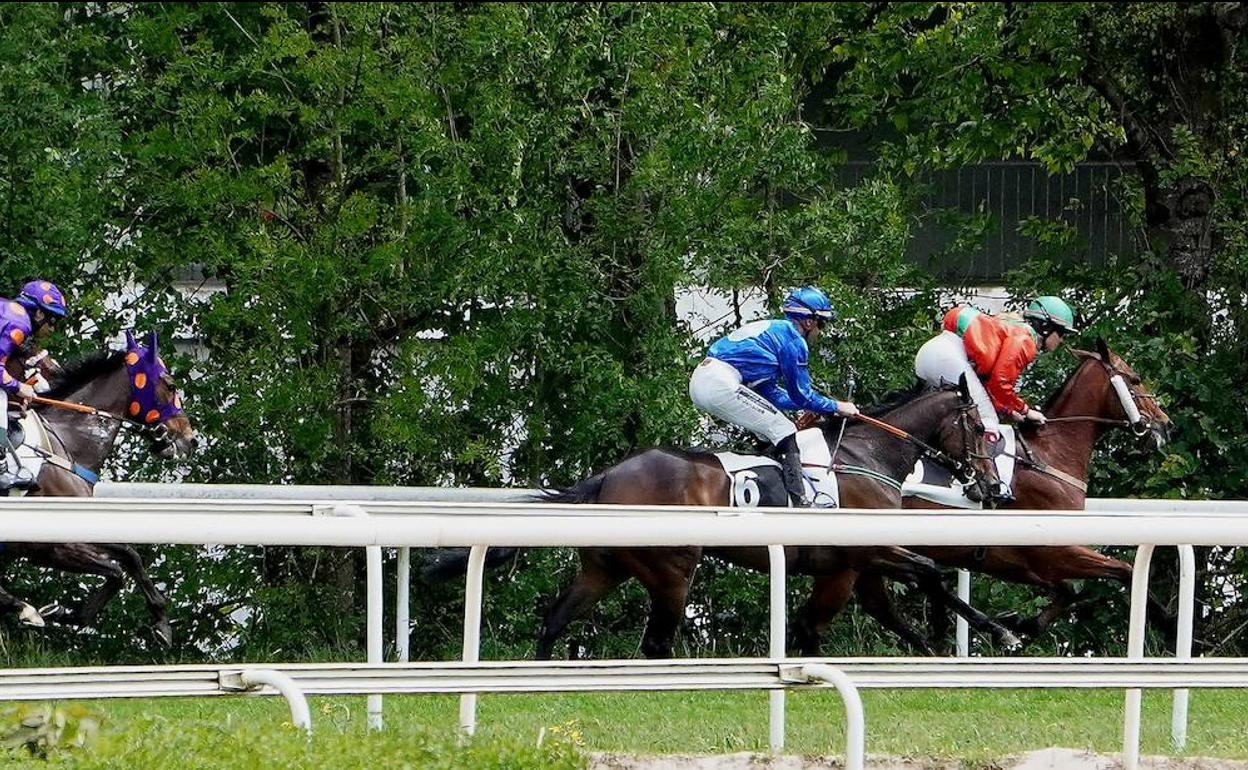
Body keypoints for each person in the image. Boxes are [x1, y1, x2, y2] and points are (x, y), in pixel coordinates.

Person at [689, 286, 858, 507]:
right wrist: (837, 406)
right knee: (784, 429)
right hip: (720, 383)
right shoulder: (793, 341)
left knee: (769, 430)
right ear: (809, 322)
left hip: (706, 380)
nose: (821, 331)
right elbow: (802, 395)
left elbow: (773, 394)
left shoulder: (776, 334)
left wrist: (816, 406)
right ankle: (801, 503)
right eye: (822, 324)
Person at [913, 295, 1078, 443]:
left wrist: (1009, 410)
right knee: (989, 421)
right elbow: (1001, 383)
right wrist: (1026, 411)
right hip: (948, 360)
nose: (1062, 340)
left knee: (960, 415)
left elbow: (988, 387)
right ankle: (982, 476)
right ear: (1046, 327)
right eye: (1062, 333)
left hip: (931, 355)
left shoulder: (1012, 329)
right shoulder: (1025, 340)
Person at [0, 280, 68, 491]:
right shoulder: (19, 322)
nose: (52, 327)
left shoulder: (11, 313)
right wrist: (18, 386)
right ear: (39, 313)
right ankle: (2, 467)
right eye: (52, 319)